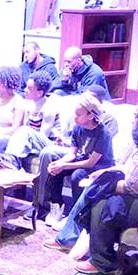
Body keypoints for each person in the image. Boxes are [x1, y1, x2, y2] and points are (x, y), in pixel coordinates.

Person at [47, 100, 138, 275]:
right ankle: (72, 239)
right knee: (97, 188)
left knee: (102, 203)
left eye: (135, 117)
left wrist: (109, 185)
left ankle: (103, 261)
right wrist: (110, 173)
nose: (133, 121)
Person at [34, 93, 115, 225]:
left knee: (77, 176)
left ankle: (75, 214)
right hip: (84, 160)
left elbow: (91, 163)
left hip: (101, 166)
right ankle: (57, 205)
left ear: (90, 115)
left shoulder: (103, 133)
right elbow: (72, 154)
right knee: (55, 170)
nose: (75, 117)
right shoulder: (78, 128)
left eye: (78, 114)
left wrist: (64, 166)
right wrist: (59, 163)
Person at [0, 70, 61, 170]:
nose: (25, 90)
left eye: (29, 89)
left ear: (39, 93)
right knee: (2, 142)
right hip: (31, 138)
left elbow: (42, 135)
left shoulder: (49, 108)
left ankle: (12, 161)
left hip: (48, 143)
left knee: (24, 130)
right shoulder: (29, 104)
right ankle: (3, 170)